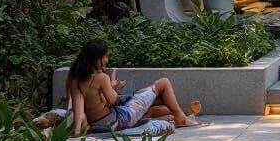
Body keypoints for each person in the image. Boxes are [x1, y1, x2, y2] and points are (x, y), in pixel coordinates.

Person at [66, 38, 204, 135]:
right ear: (97, 58)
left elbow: (79, 111)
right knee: (163, 83)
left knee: (151, 107)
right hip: (117, 121)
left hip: (98, 126)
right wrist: (113, 85)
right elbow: (114, 100)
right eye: (105, 57)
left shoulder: (76, 80)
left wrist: (77, 131)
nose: (107, 60)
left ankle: (179, 114)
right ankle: (182, 118)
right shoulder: (101, 78)